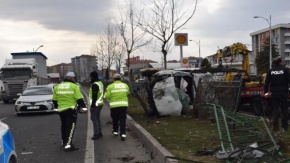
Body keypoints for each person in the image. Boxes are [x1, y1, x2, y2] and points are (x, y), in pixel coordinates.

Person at [52, 71, 87, 151]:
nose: (75, 79)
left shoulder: (57, 86)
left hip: (61, 110)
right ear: (71, 78)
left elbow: (54, 100)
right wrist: (84, 108)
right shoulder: (74, 86)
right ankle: (68, 145)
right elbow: (79, 99)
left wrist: (57, 108)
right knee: (70, 128)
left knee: (63, 126)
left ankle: (64, 142)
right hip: (71, 110)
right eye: (74, 78)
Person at [264, 57, 290, 132]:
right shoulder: (285, 70)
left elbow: (267, 83)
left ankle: (275, 127)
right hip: (283, 92)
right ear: (280, 62)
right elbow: (289, 80)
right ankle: (285, 127)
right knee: (284, 109)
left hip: (274, 92)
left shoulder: (270, 71)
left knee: (275, 109)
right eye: (282, 61)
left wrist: (265, 93)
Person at [105, 73, 130, 141]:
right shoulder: (125, 85)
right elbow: (128, 93)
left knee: (115, 119)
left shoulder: (110, 86)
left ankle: (115, 131)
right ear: (121, 79)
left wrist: (110, 98)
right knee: (122, 120)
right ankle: (123, 134)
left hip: (114, 106)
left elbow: (106, 96)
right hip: (123, 105)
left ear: (113, 79)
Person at [89, 71, 104, 140]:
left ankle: (96, 133)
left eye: (91, 77)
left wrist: (92, 106)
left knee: (93, 118)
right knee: (97, 117)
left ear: (92, 77)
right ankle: (99, 132)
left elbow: (94, 96)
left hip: (96, 104)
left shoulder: (95, 84)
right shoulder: (100, 83)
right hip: (100, 103)